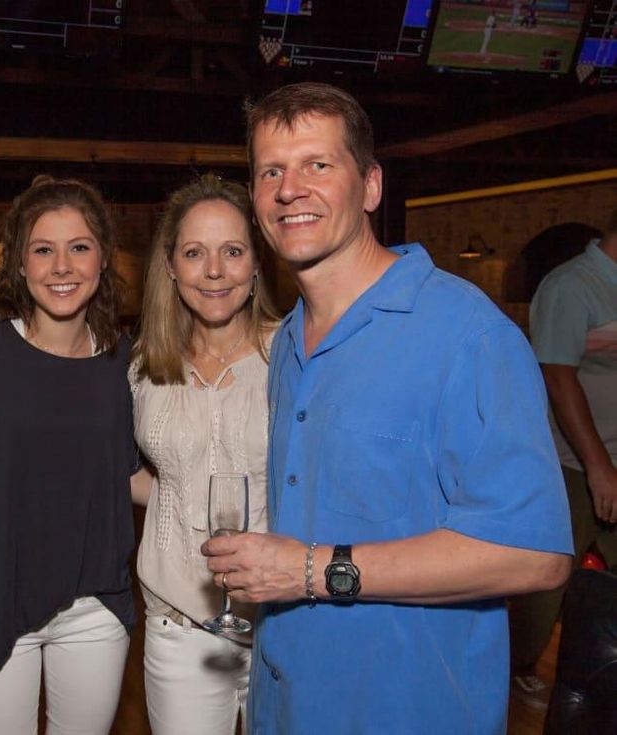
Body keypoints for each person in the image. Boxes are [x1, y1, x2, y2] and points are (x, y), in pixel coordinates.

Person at [202, 82, 573, 734]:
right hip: (287, 704)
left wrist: (310, 570)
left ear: (370, 186)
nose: (291, 188)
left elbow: (532, 556)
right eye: (271, 171)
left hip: (410, 708)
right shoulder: (290, 337)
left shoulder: (466, 334)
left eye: (319, 164)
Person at [0, 176, 136, 735]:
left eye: (78, 247)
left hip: (94, 607)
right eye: (44, 249)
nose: (62, 266)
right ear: (19, 263)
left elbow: (127, 475)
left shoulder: (126, 364)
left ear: (103, 259)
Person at [130, 174, 281, 734]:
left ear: (257, 261)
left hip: (286, 624)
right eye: (195, 253)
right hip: (180, 624)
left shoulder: (294, 355)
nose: (214, 271)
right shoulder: (144, 366)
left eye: (232, 251)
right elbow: (149, 477)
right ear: (170, 267)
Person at [508, 211, 617, 710]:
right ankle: (517, 665)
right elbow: (557, 375)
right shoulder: (572, 285)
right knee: (549, 573)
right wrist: (597, 465)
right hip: (570, 462)